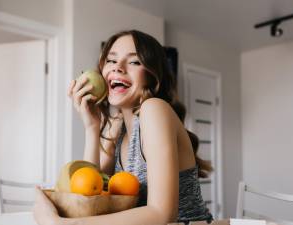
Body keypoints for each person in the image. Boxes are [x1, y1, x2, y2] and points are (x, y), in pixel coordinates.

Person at [33, 30, 213, 225]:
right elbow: (90, 195)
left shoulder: (155, 109)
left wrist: (64, 224)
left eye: (134, 62)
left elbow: (162, 214)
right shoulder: (117, 126)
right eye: (111, 60)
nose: (118, 68)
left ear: (153, 76)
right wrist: (92, 128)